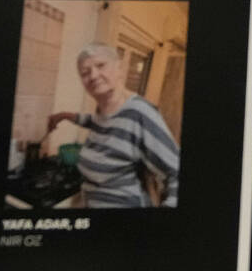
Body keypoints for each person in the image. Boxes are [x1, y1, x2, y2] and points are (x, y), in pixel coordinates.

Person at [46, 43, 179, 208]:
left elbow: (176, 171)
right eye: (85, 73)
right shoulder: (103, 112)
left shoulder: (140, 112)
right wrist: (63, 116)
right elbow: (96, 122)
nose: (93, 76)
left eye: (101, 65)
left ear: (120, 68)